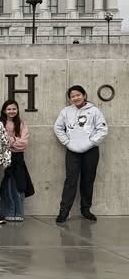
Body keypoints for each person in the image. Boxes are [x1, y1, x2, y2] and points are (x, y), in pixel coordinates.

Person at [54, 85, 108, 223]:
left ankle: (86, 209)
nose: (75, 98)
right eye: (72, 96)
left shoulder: (94, 111)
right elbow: (58, 127)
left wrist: (90, 143)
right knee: (70, 181)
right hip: (72, 151)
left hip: (91, 151)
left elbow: (102, 129)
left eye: (78, 95)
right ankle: (64, 211)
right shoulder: (66, 111)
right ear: (69, 99)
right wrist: (67, 142)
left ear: (84, 95)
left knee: (88, 180)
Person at [0, 100, 32, 222]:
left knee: (19, 186)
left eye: (14, 109)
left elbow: (23, 144)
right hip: (3, 159)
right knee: (6, 186)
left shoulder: (21, 124)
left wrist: (9, 140)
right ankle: (7, 212)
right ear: (4, 110)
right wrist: (14, 140)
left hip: (18, 159)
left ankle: (19, 212)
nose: (11, 111)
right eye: (9, 109)